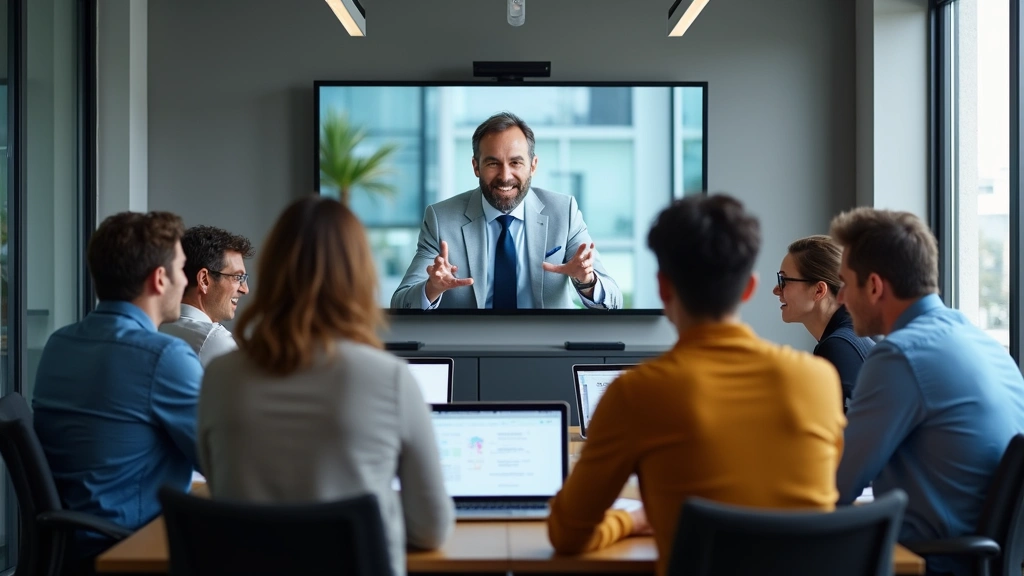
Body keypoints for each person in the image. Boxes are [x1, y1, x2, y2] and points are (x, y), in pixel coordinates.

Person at [547, 194, 846, 576]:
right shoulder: (819, 380)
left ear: (663, 288)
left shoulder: (638, 393)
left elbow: (568, 534)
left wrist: (631, 521)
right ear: (749, 288)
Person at [198, 196, 454, 576]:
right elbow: (431, 528)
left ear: (273, 270)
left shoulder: (220, 376)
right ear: (359, 274)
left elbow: (221, 491)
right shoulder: (390, 379)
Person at [831, 207, 1024, 576]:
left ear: (874, 286)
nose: (841, 298)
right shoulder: (985, 345)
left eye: (845, 283)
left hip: (931, 563)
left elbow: (836, 485)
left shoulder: (900, 355)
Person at [32, 211, 202, 563]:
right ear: (159, 279)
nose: (186, 281)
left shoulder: (59, 343)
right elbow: (222, 459)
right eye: (181, 269)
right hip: (131, 549)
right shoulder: (163, 357)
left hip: (69, 550)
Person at [391, 111, 622, 310]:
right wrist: (431, 288)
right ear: (476, 167)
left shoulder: (564, 212)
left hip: (548, 344)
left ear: (533, 166)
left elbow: (613, 301)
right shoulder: (441, 219)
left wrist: (586, 281)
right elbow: (400, 303)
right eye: (493, 163)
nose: (505, 176)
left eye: (515, 163)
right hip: (470, 344)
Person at [772, 234, 874, 409]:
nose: (776, 290)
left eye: (784, 280)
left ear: (819, 290)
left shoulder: (837, 348)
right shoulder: (850, 339)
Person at [160, 225, 254, 366]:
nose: (245, 289)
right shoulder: (215, 340)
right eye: (237, 277)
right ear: (204, 280)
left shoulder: (155, 326)